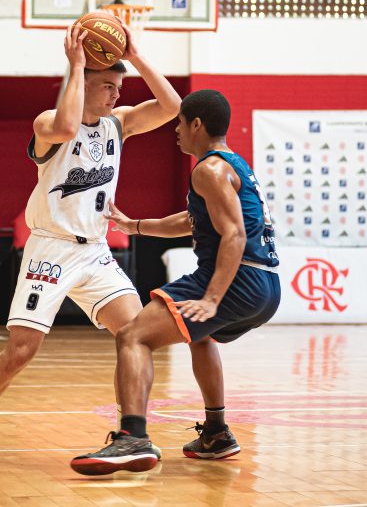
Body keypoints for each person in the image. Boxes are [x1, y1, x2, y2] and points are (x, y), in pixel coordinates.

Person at [0, 21, 181, 460]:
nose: (116, 95)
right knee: (20, 351)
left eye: (119, 88)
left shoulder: (118, 124)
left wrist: (135, 56)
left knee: (136, 335)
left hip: (96, 251)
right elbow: (65, 125)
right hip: (51, 249)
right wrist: (76, 64)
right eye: (108, 86)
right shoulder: (48, 122)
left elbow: (172, 106)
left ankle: (131, 435)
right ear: (85, 83)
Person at [70, 89, 281, 476]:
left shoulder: (208, 170)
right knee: (199, 334)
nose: (176, 131)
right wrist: (134, 225)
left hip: (237, 278)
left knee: (133, 336)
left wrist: (213, 298)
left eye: (180, 123)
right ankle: (216, 433)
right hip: (266, 285)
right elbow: (191, 221)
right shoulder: (233, 165)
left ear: (196, 124)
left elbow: (234, 235)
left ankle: (132, 437)